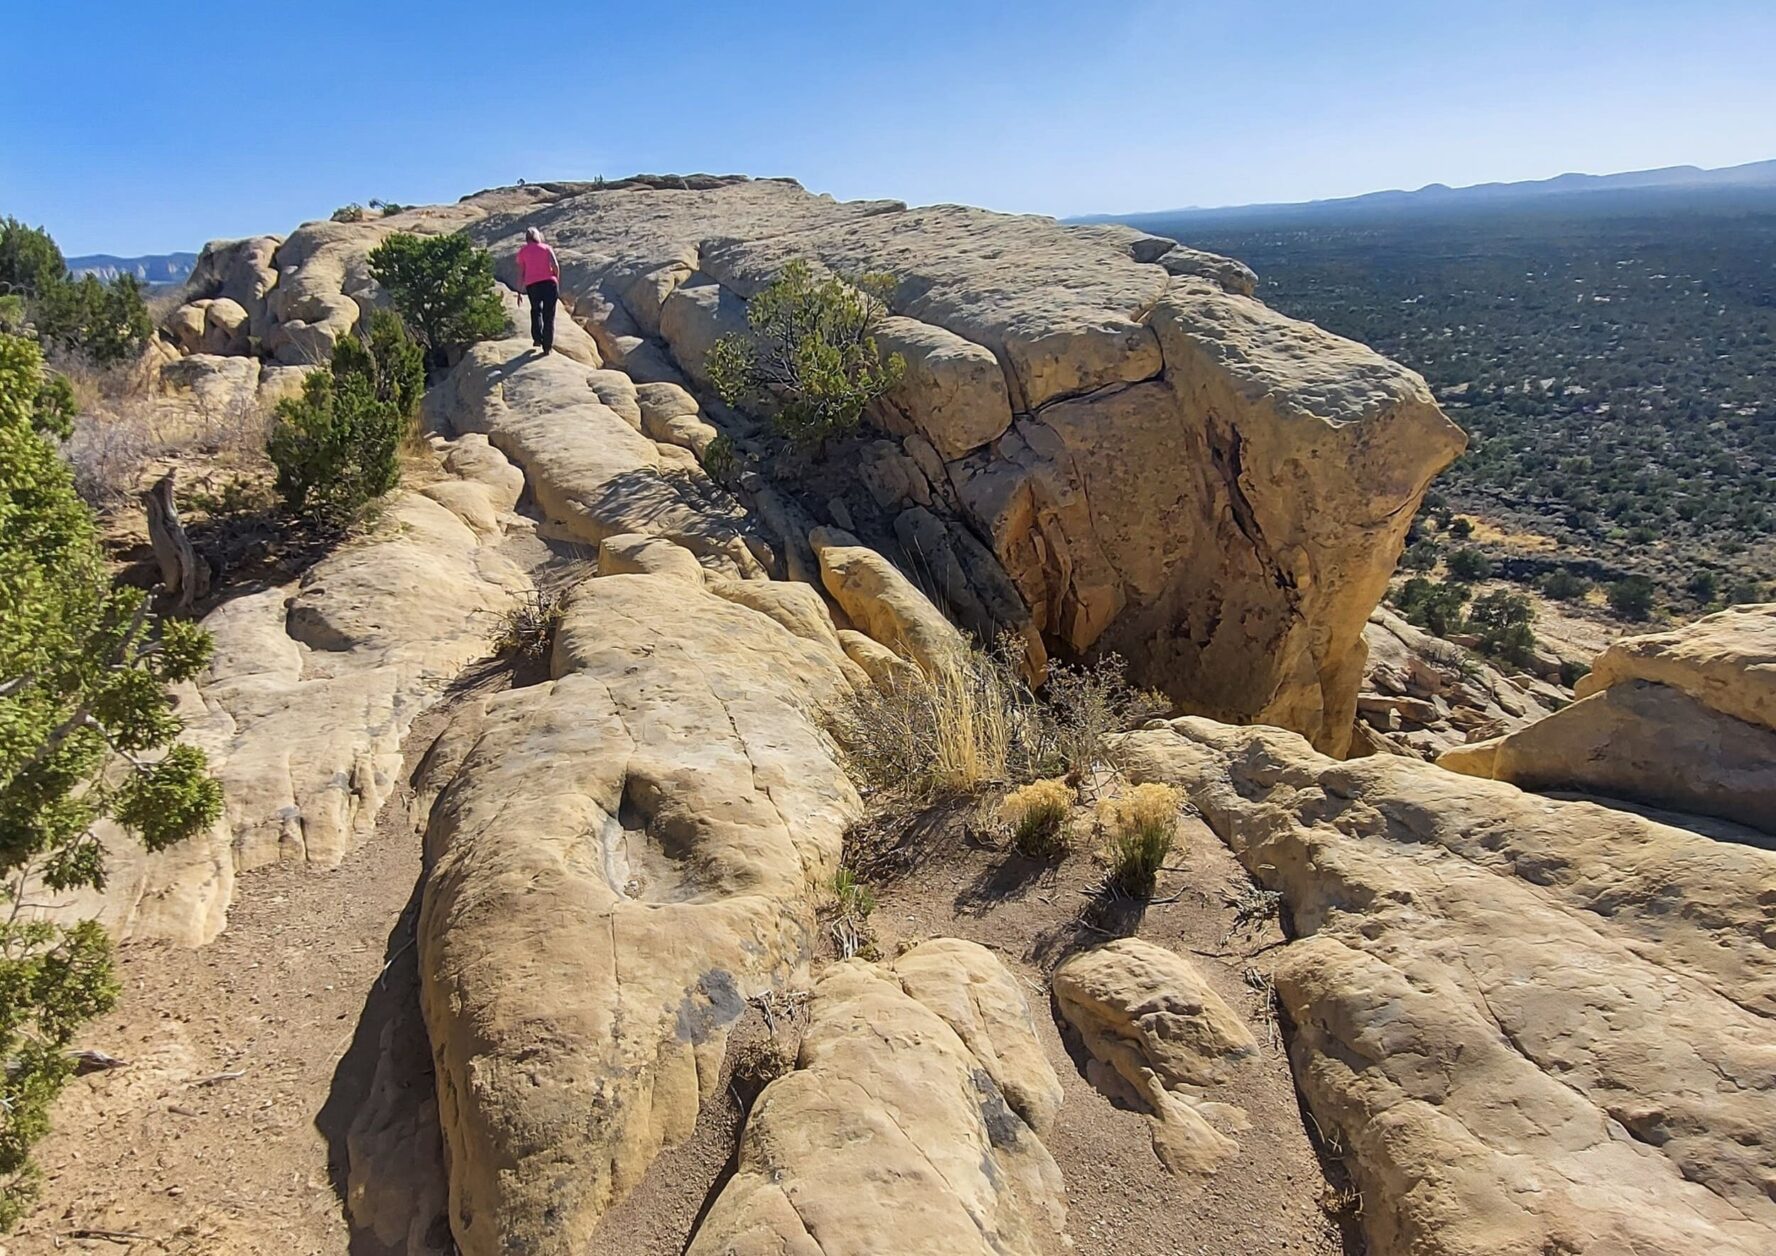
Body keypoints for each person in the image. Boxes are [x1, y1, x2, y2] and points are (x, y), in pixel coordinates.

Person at [516, 227, 560, 353]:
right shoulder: (546, 248)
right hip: (549, 283)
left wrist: (519, 291)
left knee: (536, 310)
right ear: (537, 237)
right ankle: (547, 347)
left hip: (532, 285)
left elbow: (521, 271)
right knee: (549, 315)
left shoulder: (522, 251)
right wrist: (557, 280)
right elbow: (555, 265)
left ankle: (537, 338)